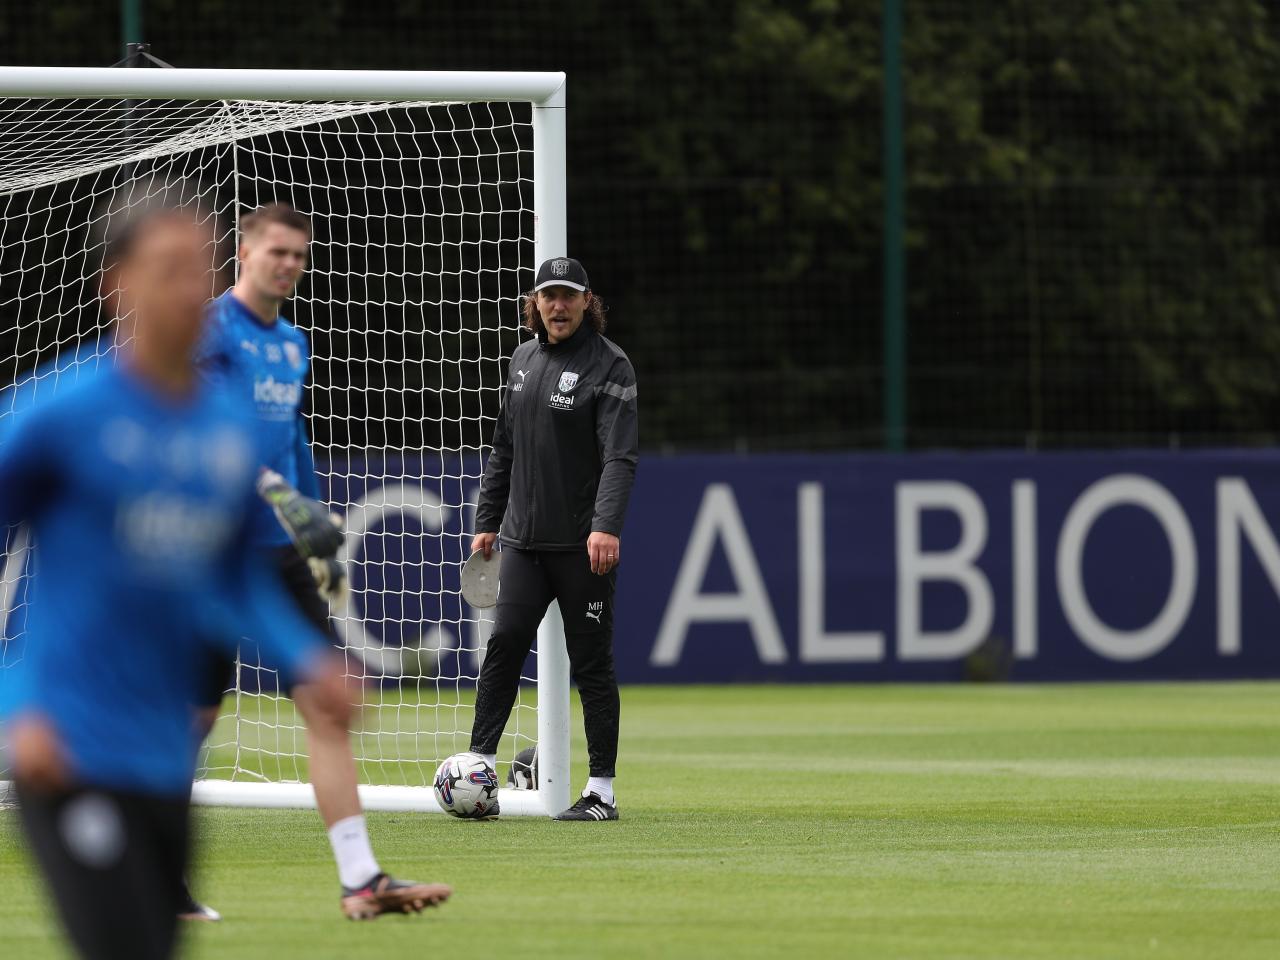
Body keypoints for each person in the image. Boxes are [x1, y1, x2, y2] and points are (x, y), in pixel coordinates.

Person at [0, 199, 355, 960]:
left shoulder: (230, 427)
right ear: (115, 285)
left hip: (160, 755)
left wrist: (305, 660)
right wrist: (16, 705)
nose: (188, 287)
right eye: (167, 269)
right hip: (67, 744)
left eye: (198, 268)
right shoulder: (59, 414)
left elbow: (231, 576)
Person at [193, 203, 447, 918]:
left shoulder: (294, 343)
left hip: (276, 557)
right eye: (277, 251)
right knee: (192, 721)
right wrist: (269, 488)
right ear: (244, 252)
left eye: (299, 255)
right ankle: (159, 876)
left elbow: (289, 437)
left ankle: (361, 878)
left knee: (328, 708)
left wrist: (319, 527)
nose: (288, 265)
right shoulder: (211, 331)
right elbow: (203, 431)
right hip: (211, 555)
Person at [470, 257, 639, 821]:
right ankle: (479, 770)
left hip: (580, 546)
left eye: (569, 296)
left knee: (591, 664)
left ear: (587, 302)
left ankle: (601, 792)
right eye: (549, 296)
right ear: (535, 303)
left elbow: (620, 456)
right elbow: (504, 448)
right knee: (504, 645)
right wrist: (487, 519)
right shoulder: (522, 359)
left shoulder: (610, 365)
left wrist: (606, 525)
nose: (559, 306)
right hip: (523, 541)